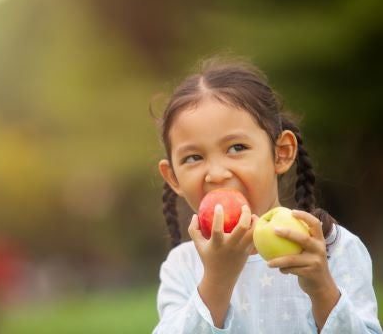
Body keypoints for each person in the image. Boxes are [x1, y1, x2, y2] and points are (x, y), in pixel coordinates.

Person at [152, 56, 382, 333]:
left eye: (237, 148)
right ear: (173, 177)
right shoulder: (183, 266)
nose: (216, 173)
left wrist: (322, 289)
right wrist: (217, 279)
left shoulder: (333, 249)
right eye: (193, 157)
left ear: (281, 152)